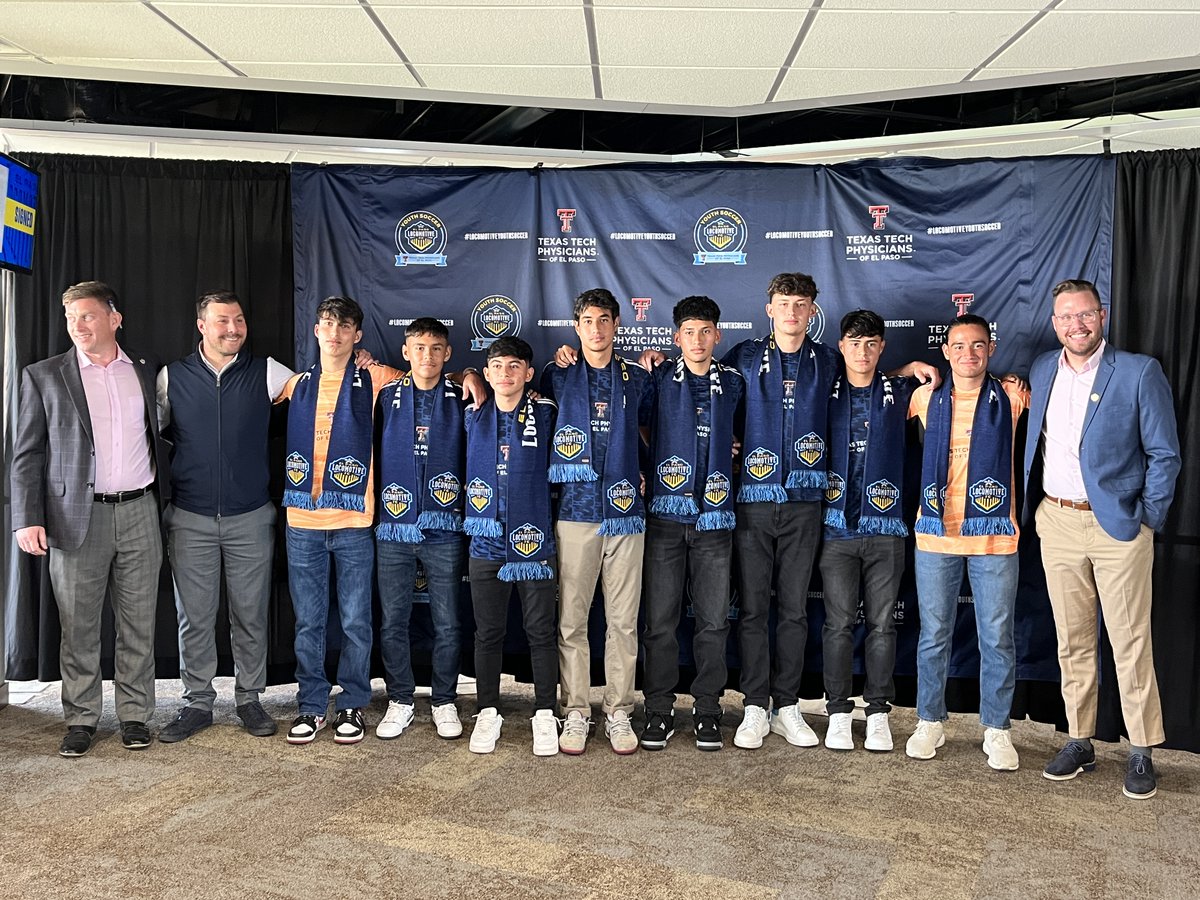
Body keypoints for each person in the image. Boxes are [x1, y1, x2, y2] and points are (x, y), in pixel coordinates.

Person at [1024, 279, 1181, 800]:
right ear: (1055, 324)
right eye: (1066, 317)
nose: (1077, 325)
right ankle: (1079, 739)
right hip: (1058, 524)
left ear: (1103, 315)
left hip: (1119, 528)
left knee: (1130, 640)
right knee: (1072, 641)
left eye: (1085, 315)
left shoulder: (1138, 371)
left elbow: (1165, 454)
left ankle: (1141, 749)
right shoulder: (1043, 367)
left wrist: (1146, 520)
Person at [12, 281, 165, 757]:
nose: (77, 326)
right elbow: (25, 454)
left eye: (88, 316)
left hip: (141, 510)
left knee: (138, 623)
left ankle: (136, 715)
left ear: (114, 319)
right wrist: (26, 518)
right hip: (75, 518)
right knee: (78, 627)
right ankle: (80, 719)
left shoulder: (144, 370)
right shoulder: (43, 375)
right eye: (70, 318)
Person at [154, 290, 290, 743]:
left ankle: (250, 699)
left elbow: (325, 389)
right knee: (193, 615)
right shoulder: (171, 377)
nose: (232, 329)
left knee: (250, 613)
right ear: (201, 326)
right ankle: (196, 703)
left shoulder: (267, 372)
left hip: (250, 515)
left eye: (238, 320)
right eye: (221, 321)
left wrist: (366, 361)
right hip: (189, 516)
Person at [719, 273, 841, 751]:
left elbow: (871, 391)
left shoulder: (829, 360)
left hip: (805, 504)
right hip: (752, 500)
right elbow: (704, 400)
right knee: (752, 608)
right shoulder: (743, 357)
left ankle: (786, 704)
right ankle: (754, 704)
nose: (792, 312)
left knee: (792, 609)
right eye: (783, 304)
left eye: (801, 304)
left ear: (813, 310)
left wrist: (913, 366)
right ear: (768, 309)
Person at [277, 296, 404, 746]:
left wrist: (469, 375)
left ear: (357, 335)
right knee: (309, 622)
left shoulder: (375, 378)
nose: (334, 333)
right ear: (316, 331)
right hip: (302, 523)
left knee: (354, 620)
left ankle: (352, 702)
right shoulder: (293, 384)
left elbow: (429, 380)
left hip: (354, 521)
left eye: (344, 327)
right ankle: (311, 706)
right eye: (327, 325)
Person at [905, 313, 1029, 771]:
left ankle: (996, 729)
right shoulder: (923, 397)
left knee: (997, 637)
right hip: (936, 535)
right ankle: (929, 721)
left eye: (978, 345)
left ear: (990, 349)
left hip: (996, 537)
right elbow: (870, 387)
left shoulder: (1013, 396)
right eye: (959, 346)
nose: (969, 354)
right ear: (946, 351)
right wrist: (906, 369)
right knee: (934, 635)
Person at [541, 288, 654, 756]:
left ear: (616, 324)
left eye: (604, 320)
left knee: (623, 622)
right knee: (571, 620)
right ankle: (575, 711)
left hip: (627, 513)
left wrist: (646, 468)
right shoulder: (557, 374)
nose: (596, 329)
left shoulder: (638, 378)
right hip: (575, 513)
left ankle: (619, 709)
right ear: (576, 326)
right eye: (587, 320)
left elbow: (654, 428)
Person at [640, 296, 744, 752]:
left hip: (715, 520)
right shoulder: (657, 378)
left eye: (706, 332)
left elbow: (753, 430)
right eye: (689, 332)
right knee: (660, 621)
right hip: (665, 517)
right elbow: (637, 426)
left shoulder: (736, 383)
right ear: (676, 336)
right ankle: (658, 710)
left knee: (713, 621)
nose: (698, 340)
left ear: (717, 335)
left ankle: (707, 710)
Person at [819, 310, 917, 753]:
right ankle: (837, 711)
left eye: (871, 343)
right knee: (838, 624)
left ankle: (877, 712)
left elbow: (964, 386)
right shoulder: (822, 391)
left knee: (881, 626)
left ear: (881, 348)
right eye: (854, 343)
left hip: (885, 527)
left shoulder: (903, 391)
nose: (862, 351)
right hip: (835, 527)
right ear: (841, 347)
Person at [463, 336, 561, 757]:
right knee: (488, 633)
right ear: (487, 373)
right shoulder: (470, 413)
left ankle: (544, 710)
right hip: (484, 541)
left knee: (541, 632)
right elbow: (431, 379)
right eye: (497, 366)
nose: (506, 373)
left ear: (528, 373)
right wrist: (464, 373)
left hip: (533, 541)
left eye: (514, 366)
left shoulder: (547, 411)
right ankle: (487, 709)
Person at [374, 318, 468, 742]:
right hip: (393, 525)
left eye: (436, 348)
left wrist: (470, 376)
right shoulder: (385, 397)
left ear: (447, 354)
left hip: (444, 525)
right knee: (394, 620)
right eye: (419, 348)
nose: (427, 356)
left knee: (447, 621)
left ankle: (445, 699)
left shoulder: (464, 396)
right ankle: (400, 698)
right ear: (405, 352)